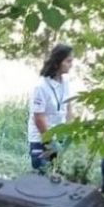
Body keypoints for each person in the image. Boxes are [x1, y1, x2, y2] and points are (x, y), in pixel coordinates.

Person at [28, 44, 75, 174]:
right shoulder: (41, 86)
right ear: (57, 62)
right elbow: (38, 118)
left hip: (59, 137)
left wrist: (69, 131)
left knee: (57, 177)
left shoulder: (65, 82)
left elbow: (68, 106)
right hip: (42, 139)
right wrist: (51, 142)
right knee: (42, 178)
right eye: (68, 61)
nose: (71, 64)